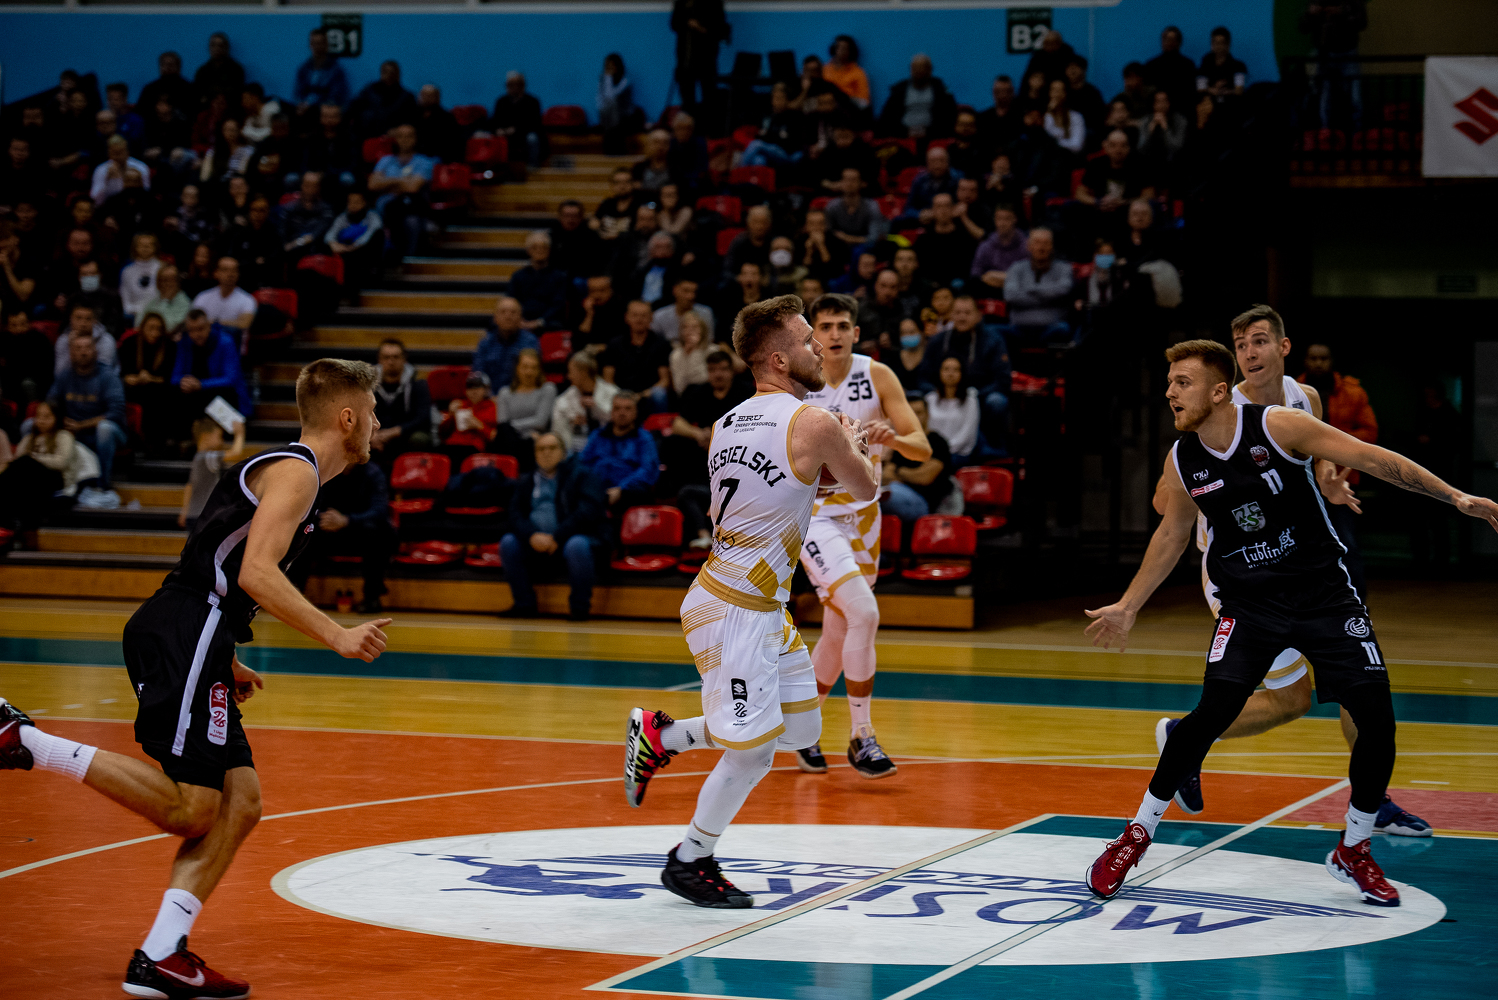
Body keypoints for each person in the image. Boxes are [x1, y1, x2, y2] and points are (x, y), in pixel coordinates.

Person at [1, 358, 393, 998]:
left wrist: (224, 656)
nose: (377, 425)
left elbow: (217, 557)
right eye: (372, 413)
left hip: (198, 633)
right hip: (187, 627)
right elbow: (255, 574)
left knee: (241, 803)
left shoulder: (293, 475)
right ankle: (25, 741)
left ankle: (161, 954)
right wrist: (337, 634)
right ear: (347, 418)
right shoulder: (296, 473)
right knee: (193, 809)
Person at [1082, 339, 1498, 905]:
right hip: (1250, 605)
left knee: (1377, 722)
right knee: (1209, 715)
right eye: (1170, 382)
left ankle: (1354, 848)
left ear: (1218, 391)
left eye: (1183, 382)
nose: (1170, 392)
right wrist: (1129, 606)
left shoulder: (1278, 425)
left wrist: (1454, 497)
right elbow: (1172, 534)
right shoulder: (1182, 459)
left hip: (1325, 597)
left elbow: (1370, 457)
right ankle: (1135, 835)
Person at [623, 293, 877, 908]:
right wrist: (854, 441)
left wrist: (826, 464)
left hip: (756, 605)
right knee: (754, 750)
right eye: (806, 339)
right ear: (779, 359)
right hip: (735, 607)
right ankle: (691, 859)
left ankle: (662, 738)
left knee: (802, 729)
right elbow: (866, 490)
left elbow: (769, 494)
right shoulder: (815, 422)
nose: (818, 347)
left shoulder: (727, 424)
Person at [791, 293, 929, 778]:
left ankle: (799, 730)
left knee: (838, 629)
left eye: (841, 326)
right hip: (816, 517)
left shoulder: (877, 375)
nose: (833, 334)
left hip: (865, 519)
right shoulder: (800, 382)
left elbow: (922, 448)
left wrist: (895, 439)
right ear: (813, 334)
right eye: (825, 326)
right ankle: (861, 736)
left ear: (855, 332)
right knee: (864, 613)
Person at [499, 432, 608, 621]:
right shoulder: (525, 481)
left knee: (577, 545)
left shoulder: (583, 476)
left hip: (571, 538)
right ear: (535, 454)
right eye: (541, 449)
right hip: (536, 541)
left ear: (564, 452)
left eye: (552, 448)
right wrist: (531, 535)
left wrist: (557, 536)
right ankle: (524, 604)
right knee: (508, 542)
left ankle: (579, 608)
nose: (546, 453)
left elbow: (588, 511)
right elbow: (514, 515)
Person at [288, 459, 396, 614]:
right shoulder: (325, 472)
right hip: (328, 528)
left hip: (359, 530)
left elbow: (379, 511)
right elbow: (309, 505)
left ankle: (372, 598)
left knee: (381, 536)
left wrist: (347, 520)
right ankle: (293, 595)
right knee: (304, 531)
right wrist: (325, 518)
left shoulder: (373, 473)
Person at [668, 349, 751, 544]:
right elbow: (677, 424)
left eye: (723, 369)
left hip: (739, 461)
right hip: (706, 462)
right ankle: (703, 536)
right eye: (713, 370)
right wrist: (697, 433)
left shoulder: (746, 392)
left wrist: (716, 438)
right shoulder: (699, 392)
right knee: (674, 443)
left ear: (732, 371)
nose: (718, 374)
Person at [920, 295, 1011, 445]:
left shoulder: (993, 340)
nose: (962, 317)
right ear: (951, 315)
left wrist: (973, 396)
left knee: (996, 402)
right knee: (916, 398)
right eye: (957, 313)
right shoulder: (938, 341)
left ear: (978, 316)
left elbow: (1003, 379)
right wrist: (935, 393)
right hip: (943, 396)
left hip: (979, 395)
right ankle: (929, 445)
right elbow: (923, 377)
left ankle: (993, 446)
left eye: (967, 313)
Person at [50, 332, 127, 505]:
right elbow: (50, 404)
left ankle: (102, 486)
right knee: (30, 425)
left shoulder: (107, 376)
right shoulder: (65, 376)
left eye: (87, 347)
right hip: (72, 431)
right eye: (78, 348)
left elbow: (116, 412)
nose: (83, 352)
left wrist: (81, 425)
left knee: (105, 428)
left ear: (95, 351)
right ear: (71, 353)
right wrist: (62, 421)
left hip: (107, 433)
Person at [0, 399, 97, 529]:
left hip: (55, 478)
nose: (41, 420)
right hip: (31, 479)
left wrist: (36, 458)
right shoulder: (29, 438)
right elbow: (17, 461)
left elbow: (61, 462)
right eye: (39, 416)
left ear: (57, 418)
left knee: (26, 462)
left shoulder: (64, 436)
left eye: (46, 417)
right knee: (20, 470)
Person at [580, 392, 659, 522]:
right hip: (597, 488)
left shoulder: (644, 438)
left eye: (628, 409)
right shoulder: (597, 435)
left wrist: (621, 489)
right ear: (611, 412)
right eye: (617, 408)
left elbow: (648, 469)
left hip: (628, 492)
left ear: (635, 413)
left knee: (639, 493)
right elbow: (583, 463)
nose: (622, 413)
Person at [884, 393, 961, 522]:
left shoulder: (938, 442)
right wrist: (909, 475)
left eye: (919, 413)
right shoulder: (901, 443)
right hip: (898, 492)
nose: (915, 417)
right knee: (867, 495)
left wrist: (898, 471)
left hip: (923, 502)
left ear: (927, 415)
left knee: (879, 497)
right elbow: (886, 475)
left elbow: (924, 478)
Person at [367, 124, 436, 259]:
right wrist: (402, 181)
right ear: (395, 139)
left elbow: (412, 188)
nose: (405, 140)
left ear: (415, 139)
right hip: (384, 207)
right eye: (401, 136)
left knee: (411, 221)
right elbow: (372, 184)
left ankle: (408, 259)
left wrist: (386, 183)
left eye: (409, 136)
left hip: (410, 208)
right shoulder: (385, 161)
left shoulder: (424, 162)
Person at [172, 308, 252, 420]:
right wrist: (184, 381)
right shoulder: (184, 343)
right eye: (191, 330)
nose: (196, 334)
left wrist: (201, 385)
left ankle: (232, 427)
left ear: (209, 326)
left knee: (223, 394)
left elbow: (230, 379)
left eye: (200, 329)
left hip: (219, 394)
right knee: (175, 392)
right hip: (195, 394)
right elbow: (174, 377)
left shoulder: (225, 342)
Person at [1002, 227, 1073, 345]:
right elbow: (1010, 296)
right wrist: (1049, 298)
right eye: (1037, 243)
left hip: (1051, 329)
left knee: (1063, 329)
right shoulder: (1016, 268)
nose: (1041, 247)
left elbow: (1063, 290)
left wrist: (1030, 289)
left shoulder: (1064, 268)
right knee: (992, 331)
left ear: (1052, 247)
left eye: (1046, 243)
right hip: (1019, 330)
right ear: (1029, 246)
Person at [120, 312, 179, 448]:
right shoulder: (130, 343)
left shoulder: (169, 346)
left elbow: (169, 377)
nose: (155, 333)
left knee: (162, 395)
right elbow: (123, 372)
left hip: (159, 389)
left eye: (159, 329)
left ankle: (159, 441)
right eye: (151, 328)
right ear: (142, 328)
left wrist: (151, 378)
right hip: (134, 388)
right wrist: (129, 378)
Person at [370, 338, 433, 461]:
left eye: (396, 357)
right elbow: (359, 415)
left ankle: (414, 471)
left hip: (404, 433)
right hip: (375, 433)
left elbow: (423, 418)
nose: (391, 362)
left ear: (404, 359)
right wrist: (371, 434)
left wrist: (395, 432)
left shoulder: (417, 384)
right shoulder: (367, 385)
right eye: (386, 357)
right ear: (379, 360)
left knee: (420, 438)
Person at [179, 416, 247, 527]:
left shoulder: (198, 457)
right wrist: (240, 433)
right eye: (218, 436)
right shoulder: (207, 457)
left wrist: (185, 510)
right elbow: (236, 453)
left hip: (194, 514)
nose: (221, 441)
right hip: (204, 515)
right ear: (205, 437)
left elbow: (189, 485)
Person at [552, 351, 619, 454]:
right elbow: (558, 432)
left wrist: (597, 410)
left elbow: (621, 422)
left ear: (583, 372)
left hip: (611, 448)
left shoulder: (613, 393)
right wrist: (572, 424)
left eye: (571, 371)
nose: (568, 376)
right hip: (577, 451)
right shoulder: (563, 400)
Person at [670, 0, 728, 120]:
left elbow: (720, 29)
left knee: (709, 97)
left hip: (706, 58)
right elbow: (674, 23)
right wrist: (687, 23)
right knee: (687, 100)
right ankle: (689, 125)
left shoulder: (714, 3)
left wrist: (700, 28)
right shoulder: (682, 2)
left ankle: (707, 125)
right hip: (685, 59)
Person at [877, 53, 957, 139]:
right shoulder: (899, 90)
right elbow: (887, 116)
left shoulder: (941, 90)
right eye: (915, 68)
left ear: (930, 69)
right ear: (911, 69)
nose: (919, 70)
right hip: (902, 135)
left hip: (933, 136)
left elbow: (949, 115)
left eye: (923, 67)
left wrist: (929, 132)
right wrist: (904, 132)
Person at [496, 348, 558, 456]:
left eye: (534, 368)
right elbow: (503, 425)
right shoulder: (504, 393)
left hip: (536, 441)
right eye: (525, 367)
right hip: (511, 441)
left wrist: (512, 425)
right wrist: (524, 431)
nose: (529, 372)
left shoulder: (547, 389)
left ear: (539, 370)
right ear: (517, 368)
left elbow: (540, 422)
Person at [324, 189, 384, 295]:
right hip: (345, 253)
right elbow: (330, 235)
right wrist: (334, 244)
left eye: (357, 202)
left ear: (364, 203)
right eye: (350, 202)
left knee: (378, 236)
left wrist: (354, 247)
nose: (353, 205)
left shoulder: (373, 217)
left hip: (363, 253)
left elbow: (370, 234)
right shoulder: (342, 217)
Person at [474, 297, 541, 391]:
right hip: (490, 396)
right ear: (495, 318)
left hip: (520, 395)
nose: (508, 317)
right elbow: (478, 375)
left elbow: (533, 376)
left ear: (520, 317)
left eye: (513, 312)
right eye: (503, 312)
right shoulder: (486, 342)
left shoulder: (530, 341)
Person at [913, 193, 978, 291]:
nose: (943, 210)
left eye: (946, 206)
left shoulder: (965, 238)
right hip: (930, 289)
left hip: (959, 288)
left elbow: (970, 267)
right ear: (932, 210)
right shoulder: (924, 240)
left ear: (953, 209)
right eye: (939, 206)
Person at [509, 230, 569, 332]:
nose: (539, 250)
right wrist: (519, 320)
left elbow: (558, 305)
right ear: (528, 250)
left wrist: (540, 322)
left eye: (544, 247)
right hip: (522, 322)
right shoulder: (518, 276)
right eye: (535, 247)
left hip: (548, 323)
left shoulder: (559, 277)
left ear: (549, 250)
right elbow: (512, 300)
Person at [925, 355, 979, 462]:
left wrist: (943, 450)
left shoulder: (971, 401)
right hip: (932, 453)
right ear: (939, 372)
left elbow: (967, 434)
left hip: (958, 454)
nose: (950, 373)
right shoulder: (929, 399)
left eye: (955, 370)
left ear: (962, 373)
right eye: (946, 369)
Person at [191, 256, 257, 339]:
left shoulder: (248, 299)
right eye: (225, 270)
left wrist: (214, 323)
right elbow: (192, 321)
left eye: (234, 270)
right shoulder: (202, 297)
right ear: (216, 273)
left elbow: (244, 324)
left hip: (234, 343)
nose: (230, 274)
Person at [348, 60, 416, 141]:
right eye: (385, 72)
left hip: (392, 139)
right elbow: (353, 108)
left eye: (392, 72)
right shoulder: (369, 91)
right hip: (366, 135)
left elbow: (411, 120)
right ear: (381, 73)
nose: (388, 75)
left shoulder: (407, 97)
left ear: (398, 74)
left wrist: (397, 130)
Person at [491, 71, 545, 171]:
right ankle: (497, 169)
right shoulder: (501, 101)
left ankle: (532, 167)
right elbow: (495, 121)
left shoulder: (532, 101)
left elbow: (534, 123)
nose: (513, 87)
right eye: (510, 84)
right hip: (505, 134)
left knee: (532, 138)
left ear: (522, 85)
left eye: (516, 84)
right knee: (489, 137)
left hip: (524, 133)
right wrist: (498, 130)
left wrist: (516, 130)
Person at [54, 301, 120, 381]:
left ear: (95, 321)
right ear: (71, 319)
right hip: (71, 384)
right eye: (78, 318)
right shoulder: (63, 340)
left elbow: (106, 374)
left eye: (88, 319)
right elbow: (59, 374)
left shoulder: (107, 341)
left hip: (101, 385)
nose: (83, 323)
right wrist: (71, 346)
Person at [439, 370, 500, 458]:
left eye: (478, 387)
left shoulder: (493, 408)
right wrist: (451, 415)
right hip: (451, 445)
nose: (474, 391)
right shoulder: (460, 405)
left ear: (486, 390)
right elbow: (442, 434)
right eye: (470, 387)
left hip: (474, 448)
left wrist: (479, 426)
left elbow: (496, 438)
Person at [294, 28, 351, 121]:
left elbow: (336, 96)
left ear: (326, 45)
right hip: (304, 111)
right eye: (314, 43)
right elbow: (298, 92)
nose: (317, 47)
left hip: (323, 110)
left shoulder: (335, 70)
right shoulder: (304, 69)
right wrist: (300, 104)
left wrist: (313, 104)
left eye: (320, 43)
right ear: (310, 45)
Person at [826, 167, 889, 248]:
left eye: (853, 180)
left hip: (865, 247)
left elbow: (874, 238)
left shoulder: (871, 206)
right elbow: (828, 232)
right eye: (846, 180)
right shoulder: (832, 206)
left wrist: (848, 238)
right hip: (838, 246)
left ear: (862, 183)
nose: (849, 183)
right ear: (840, 182)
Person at [971, 205, 1029, 292]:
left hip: (1020, 291)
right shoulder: (985, 246)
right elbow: (975, 274)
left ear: (1015, 219)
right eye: (999, 219)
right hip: (990, 290)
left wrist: (1000, 277)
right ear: (994, 220)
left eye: (1007, 219)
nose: (1002, 223)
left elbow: (1030, 276)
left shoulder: (1026, 246)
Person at [1143, 25, 1198, 118]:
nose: (1168, 42)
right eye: (1166, 39)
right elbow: (1148, 93)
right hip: (1157, 112)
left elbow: (1191, 93)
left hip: (1183, 111)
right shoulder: (1151, 65)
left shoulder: (1188, 65)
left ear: (1179, 42)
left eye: (1172, 40)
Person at [2, 310, 55, 404]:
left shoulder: (40, 340)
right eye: (14, 325)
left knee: (27, 384)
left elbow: (46, 369)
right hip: (9, 383)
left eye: (23, 324)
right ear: (7, 326)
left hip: (36, 382)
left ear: (29, 323)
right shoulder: (4, 340)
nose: (19, 329)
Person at [598, 53, 642, 155]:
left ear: (618, 67)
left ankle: (617, 154)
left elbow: (611, 97)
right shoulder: (602, 80)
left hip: (626, 117)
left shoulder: (625, 81)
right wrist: (606, 79)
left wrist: (608, 78)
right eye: (608, 67)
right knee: (608, 117)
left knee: (614, 122)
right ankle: (609, 155)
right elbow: (600, 102)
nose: (610, 70)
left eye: (612, 66)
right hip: (609, 118)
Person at [652, 273, 715, 344]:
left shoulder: (706, 313)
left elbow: (709, 341)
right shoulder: (659, 316)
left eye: (694, 292)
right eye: (686, 291)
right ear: (675, 290)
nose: (691, 296)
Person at [91, 135, 152, 205]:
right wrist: (106, 180)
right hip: (111, 206)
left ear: (127, 151)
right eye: (114, 153)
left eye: (120, 152)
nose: (118, 156)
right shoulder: (101, 170)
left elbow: (147, 193)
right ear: (109, 153)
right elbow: (95, 201)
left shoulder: (141, 167)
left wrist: (136, 180)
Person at [575, 274, 628, 353]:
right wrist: (589, 315)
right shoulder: (584, 307)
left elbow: (624, 339)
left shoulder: (621, 308)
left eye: (602, 290)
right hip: (587, 352)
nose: (597, 295)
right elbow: (577, 343)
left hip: (613, 352)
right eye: (593, 291)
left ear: (610, 290)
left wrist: (604, 347)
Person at [668, 310, 713, 395]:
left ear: (703, 330)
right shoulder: (676, 355)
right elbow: (679, 387)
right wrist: (686, 355)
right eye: (685, 327)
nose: (690, 331)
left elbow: (704, 379)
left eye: (695, 327)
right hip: (687, 397)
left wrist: (696, 351)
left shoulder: (713, 351)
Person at [139, 264, 192, 336]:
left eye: (172, 280)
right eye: (164, 280)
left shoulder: (185, 302)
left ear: (178, 282)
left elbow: (169, 327)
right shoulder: (151, 301)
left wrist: (165, 300)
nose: (168, 284)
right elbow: (139, 323)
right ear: (158, 283)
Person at [1198, 27, 1248, 98]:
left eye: (1221, 43)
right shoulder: (1204, 65)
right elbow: (1200, 89)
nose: (1218, 46)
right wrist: (1211, 90)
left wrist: (1224, 92)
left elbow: (1239, 90)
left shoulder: (1238, 66)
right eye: (1215, 43)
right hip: (1209, 101)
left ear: (1228, 45)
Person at [976, 75, 1022, 151]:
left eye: (1006, 91)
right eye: (998, 91)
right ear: (993, 92)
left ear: (1012, 92)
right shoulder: (984, 118)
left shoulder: (1020, 117)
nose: (1002, 95)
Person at [1042, 79, 1086, 156]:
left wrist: (1056, 143)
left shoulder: (1076, 117)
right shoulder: (1045, 116)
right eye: (1054, 90)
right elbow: (1043, 140)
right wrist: (1049, 112)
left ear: (1066, 93)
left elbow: (1076, 146)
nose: (1057, 94)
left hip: (1068, 156)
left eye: (1060, 90)